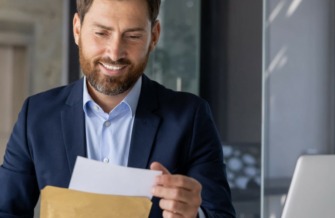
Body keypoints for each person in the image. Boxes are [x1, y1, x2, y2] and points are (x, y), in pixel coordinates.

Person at [0, 0, 236, 217]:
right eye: (101, 33)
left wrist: (194, 215)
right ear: (77, 29)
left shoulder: (191, 117)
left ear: (154, 36)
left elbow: (220, 214)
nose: (114, 53)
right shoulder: (37, 115)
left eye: (132, 36)